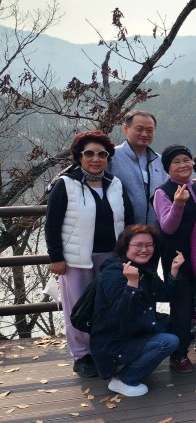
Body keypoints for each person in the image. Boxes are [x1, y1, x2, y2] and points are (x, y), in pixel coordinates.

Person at [46, 130, 134, 378]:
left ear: (108, 157)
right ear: (79, 156)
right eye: (89, 154)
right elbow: (52, 224)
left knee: (107, 305)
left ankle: (103, 349)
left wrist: (128, 253)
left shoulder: (115, 184)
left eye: (102, 154)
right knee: (78, 307)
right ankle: (82, 354)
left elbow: (128, 220)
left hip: (111, 258)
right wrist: (56, 258)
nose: (95, 159)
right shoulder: (66, 184)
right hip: (76, 260)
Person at [153, 145, 196, 373]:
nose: (183, 165)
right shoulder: (163, 192)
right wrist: (178, 204)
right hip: (178, 258)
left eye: (186, 160)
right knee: (181, 307)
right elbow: (168, 226)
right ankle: (179, 354)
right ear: (168, 168)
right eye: (176, 162)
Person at [90, 225, 180, 397]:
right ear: (125, 247)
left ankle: (136, 363)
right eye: (138, 245)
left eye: (149, 245)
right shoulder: (113, 272)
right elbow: (119, 314)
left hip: (134, 332)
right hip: (113, 343)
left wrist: (174, 271)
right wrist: (132, 284)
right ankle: (124, 379)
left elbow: (165, 294)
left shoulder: (144, 269)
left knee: (175, 324)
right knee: (168, 341)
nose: (144, 250)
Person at [109, 110, 165, 225]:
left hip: (154, 233)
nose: (144, 134)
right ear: (126, 129)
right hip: (121, 232)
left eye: (150, 130)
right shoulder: (111, 157)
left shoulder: (160, 161)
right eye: (139, 129)